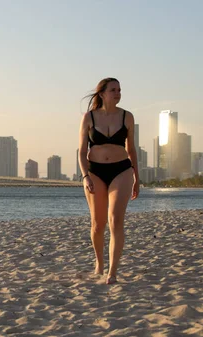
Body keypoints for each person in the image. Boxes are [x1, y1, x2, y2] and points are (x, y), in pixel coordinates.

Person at [78, 77, 139, 285]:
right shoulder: (89, 117)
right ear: (102, 93)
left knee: (115, 220)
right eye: (113, 90)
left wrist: (137, 178)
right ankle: (99, 263)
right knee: (98, 224)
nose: (118, 93)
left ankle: (112, 272)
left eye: (120, 90)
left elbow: (131, 149)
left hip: (121, 170)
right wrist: (85, 176)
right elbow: (81, 151)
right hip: (94, 171)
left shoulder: (127, 117)